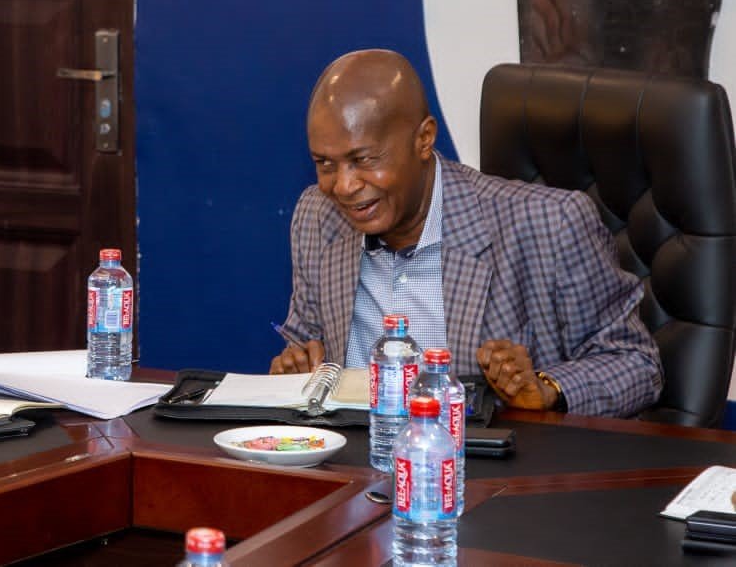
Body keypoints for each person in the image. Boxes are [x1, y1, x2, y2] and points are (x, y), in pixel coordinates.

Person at [269, 49, 662, 417]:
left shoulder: (549, 222)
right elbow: (305, 343)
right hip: (359, 455)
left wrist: (547, 388)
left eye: (364, 160)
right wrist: (297, 366)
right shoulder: (318, 216)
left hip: (487, 466)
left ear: (424, 139)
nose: (344, 186)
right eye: (325, 164)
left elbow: (637, 364)